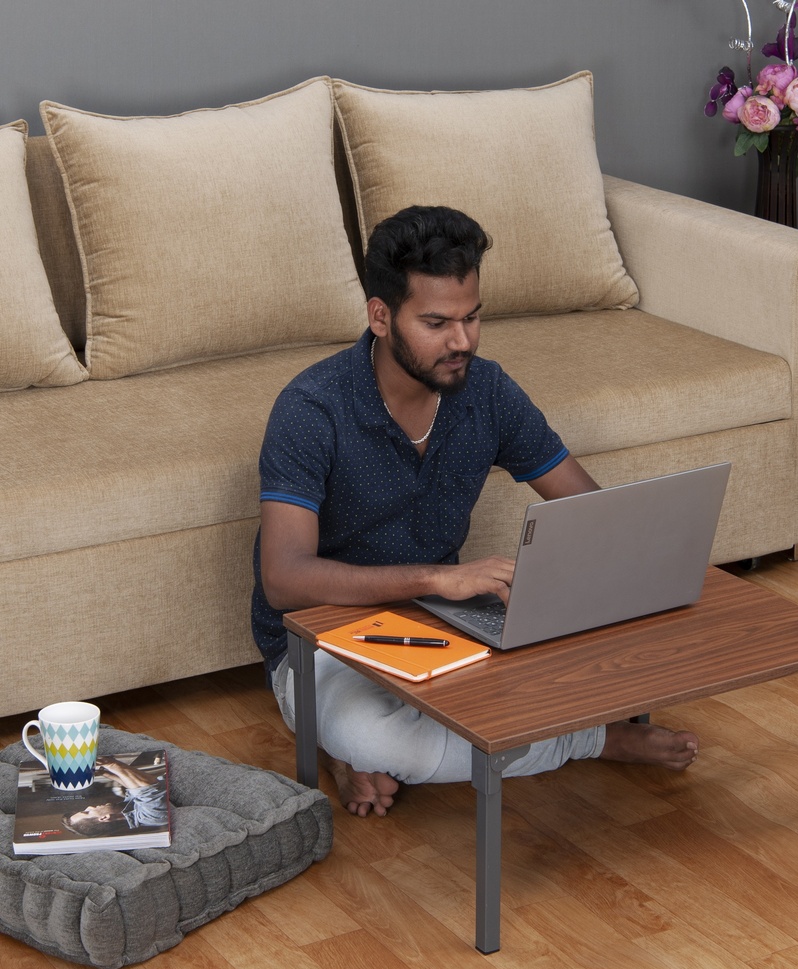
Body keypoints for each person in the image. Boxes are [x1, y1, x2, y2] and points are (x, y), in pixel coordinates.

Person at [251, 205, 699, 817]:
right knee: (371, 734)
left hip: (445, 624)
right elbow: (284, 580)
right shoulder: (311, 409)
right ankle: (592, 741)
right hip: (323, 642)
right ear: (380, 317)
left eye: (472, 317)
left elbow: (592, 514)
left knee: (601, 651)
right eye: (436, 322)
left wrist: (644, 552)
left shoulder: (485, 390)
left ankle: (355, 756)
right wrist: (437, 577)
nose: (461, 341)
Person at [62, 755, 169, 836]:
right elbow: (146, 787)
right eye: (87, 812)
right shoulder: (151, 815)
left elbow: (133, 789)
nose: (90, 807)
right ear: (104, 818)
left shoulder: (128, 808)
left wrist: (105, 773)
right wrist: (111, 764)